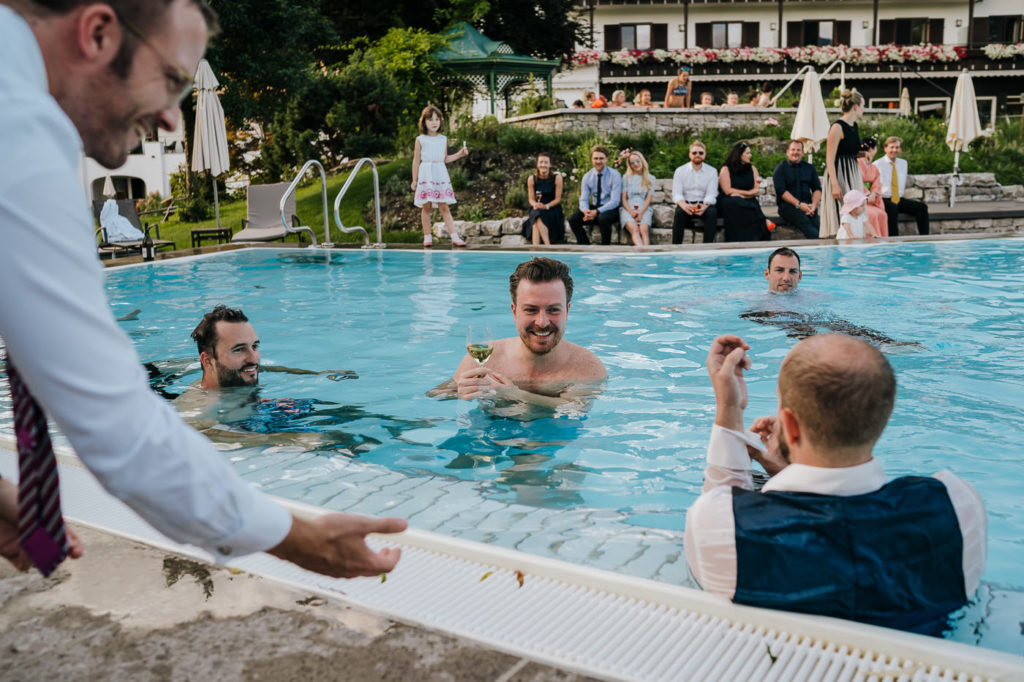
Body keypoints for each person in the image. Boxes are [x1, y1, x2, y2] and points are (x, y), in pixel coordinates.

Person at [0, 0, 404, 578]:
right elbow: (120, 429)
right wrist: (295, 538)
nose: (171, 120)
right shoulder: (21, 132)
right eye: (169, 82)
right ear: (96, 34)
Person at [687, 333, 984, 634]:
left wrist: (730, 412)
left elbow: (722, 507)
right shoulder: (958, 510)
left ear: (788, 425)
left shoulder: (721, 529)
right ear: (884, 416)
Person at [451, 258, 606, 408]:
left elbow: (574, 411)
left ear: (567, 311)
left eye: (553, 310)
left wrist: (514, 394)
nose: (542, 322)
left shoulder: (587, 367)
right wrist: (459, 390)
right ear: (514, 311)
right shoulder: (485, 359)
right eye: (531, 310)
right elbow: (436, 397)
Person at [411, 104, 468, 248]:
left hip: (439, 173)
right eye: (430, 120)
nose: (434, 122)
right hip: (425, 173)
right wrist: (414, 180)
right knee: (426, 207)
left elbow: (445, 159)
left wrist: (460, 154)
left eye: (437, 119)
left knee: (444, 207)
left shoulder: (443, 139)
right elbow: (416, 160)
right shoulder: (420, 140)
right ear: (424, 122)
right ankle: (427, 237)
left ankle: (454, 236)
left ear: (441, 121)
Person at [821, 88, 864, 238]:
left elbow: (849, 150)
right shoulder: (837, 127)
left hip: (852, 171)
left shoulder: (854, 126)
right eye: (863, 106)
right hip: (839, 173)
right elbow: (830, 158)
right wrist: (834, 184)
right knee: (842, 212)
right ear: (855, 106)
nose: (864, 109)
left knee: (856, 211)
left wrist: (863, 155)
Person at [874, 136, 930, 237]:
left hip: (898, 199)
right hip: (883, 199)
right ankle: (893, 240)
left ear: (900, 149)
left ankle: (925, 238)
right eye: (892, 147)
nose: (894, 150)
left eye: (897, 147)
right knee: (892, 208)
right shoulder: (877, 164)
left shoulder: (903, 163)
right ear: (885, 148)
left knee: (922, 207)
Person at [568, 145, 621, 246]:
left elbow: (615, 201)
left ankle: (605, 248)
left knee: (603, 218)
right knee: (573, 219)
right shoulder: (587, 176)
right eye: (595, 158)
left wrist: (597, 212)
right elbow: (583, 199)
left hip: (611, 209)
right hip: (595, 208)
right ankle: (585, 246)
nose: (598, 161)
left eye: (601, 158)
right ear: (592, 159)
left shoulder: (615, 175)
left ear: (606, 159)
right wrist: (586, 211)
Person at [718, 142, 772, 242]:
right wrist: (745, 194)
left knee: (748, 203)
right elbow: (727, 190)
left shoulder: (752, 169)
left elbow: (756, 188)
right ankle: (764, 221)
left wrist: (743, 195)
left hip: (748, 199)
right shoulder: (726, 169)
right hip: (729, 200)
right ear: (739, 155)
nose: (750, 155)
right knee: (736, 202)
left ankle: (759, 234)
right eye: (747, 153)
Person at [671, 141, 719, 244]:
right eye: (694, 153)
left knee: (712, 212)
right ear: (689, 154)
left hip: (703, 204)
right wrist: (684, 205)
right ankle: (676, 247)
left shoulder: (712, 171)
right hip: (686, 204)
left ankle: (707, 247)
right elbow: (677, 194)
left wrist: (705, 206)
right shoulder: (680, 171)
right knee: (679, 213)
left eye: (701, 153)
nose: (697, 155)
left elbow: (711, 194)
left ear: (705, 154)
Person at [772, 140, 822, 239]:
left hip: (808, 206)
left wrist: (814, 205)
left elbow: (817, 189)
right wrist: (799, 205)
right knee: (804, 221)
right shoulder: (780, 169)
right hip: (788, 207)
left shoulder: (810, 168)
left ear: (802, 153)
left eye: (798, 150)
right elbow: (782, 191)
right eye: (793, 150)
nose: (795, 152)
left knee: (816, 223)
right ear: (787, 152)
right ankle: (820, 244)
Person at [524, 152, 565, 245]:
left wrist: (546, 206)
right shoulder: (531, 179)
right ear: (537, 164)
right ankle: (547, 246)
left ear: (550, 164)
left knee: (536, 220)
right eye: (541, 162)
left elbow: (557, 199)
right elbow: (531, 199)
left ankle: (536, 250)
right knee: (537, 215)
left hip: (552, 208)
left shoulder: (557, 178)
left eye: (546, 162)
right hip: (537, 207)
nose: (543, 165)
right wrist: (535, 204)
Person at [619, 151, 655, 246]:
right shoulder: (626, 178)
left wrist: (641, 213)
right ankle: (642, 253)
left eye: (637, 161)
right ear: (630, 165)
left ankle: (646, 253)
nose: (636, 164)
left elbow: (648, 199)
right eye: (632, 163)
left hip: (644, 208)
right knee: (635, 230)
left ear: (642, 161)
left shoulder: (651, 178)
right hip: (628, 208)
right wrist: (631, 212)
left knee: (644, 230)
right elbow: (623, 199)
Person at [857, 137, 889, 237]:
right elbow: (856, 181)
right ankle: (872, 239)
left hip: (872, 199)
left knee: (882, 214)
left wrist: (874, 193)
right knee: (873, 215)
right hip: (860, 200)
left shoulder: (873, 167)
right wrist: (867, 194)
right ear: (871, 149)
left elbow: (876, 183)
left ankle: (882, 239)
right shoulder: (856, 163)